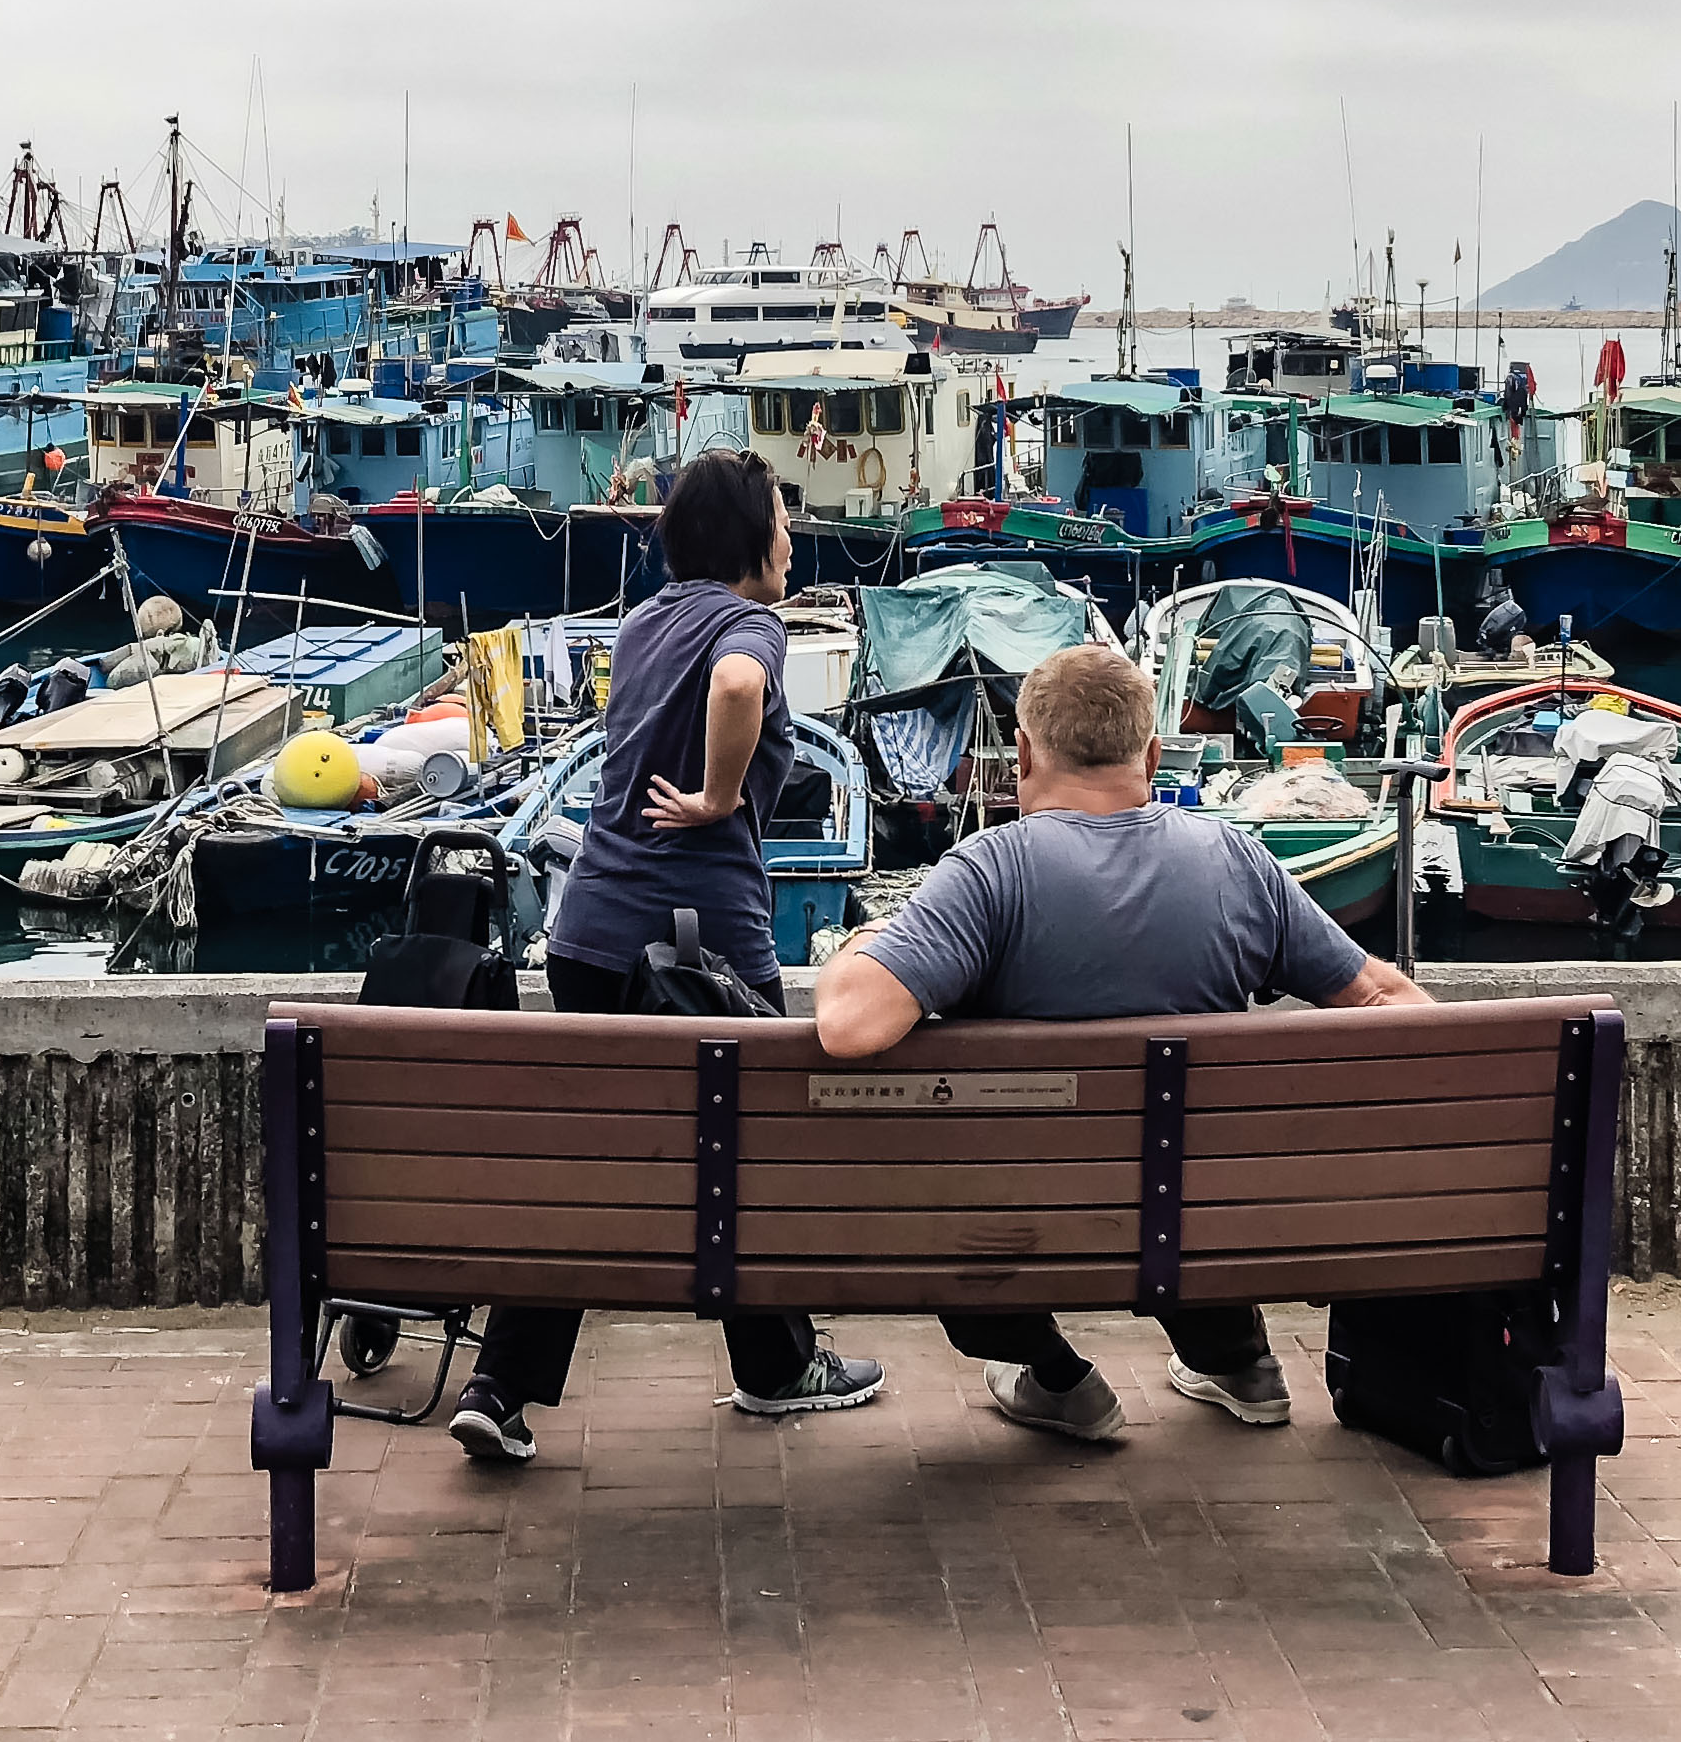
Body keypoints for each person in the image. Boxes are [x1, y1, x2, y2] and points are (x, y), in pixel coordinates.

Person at [814, 646, 1425, 1443]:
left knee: (950, 1191)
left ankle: (1057, 1379)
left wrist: (866, 942)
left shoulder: (990, 871)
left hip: (1026, 1229)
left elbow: (850, 1026)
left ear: (1024, 754)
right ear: (1151, 753)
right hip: (1209, 1220)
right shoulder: (1236, 860)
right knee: (1185, 1168)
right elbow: (1391, 1002)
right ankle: (1239, 1361)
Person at [450, 447, 884, 1463]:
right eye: (780, 517)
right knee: (750, 1149)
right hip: (700, 944)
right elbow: (736, 684)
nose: (791, 536)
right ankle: (778, 1365)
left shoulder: (644, 621)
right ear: (747, 538)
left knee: (592, 1160)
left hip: (590, 932)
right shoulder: (751, 623)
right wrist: (722, 797)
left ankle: (502, 1381)